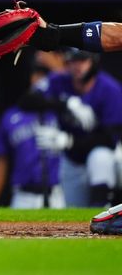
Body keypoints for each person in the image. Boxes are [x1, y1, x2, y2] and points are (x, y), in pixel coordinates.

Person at [31, 49, 122, 207]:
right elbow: (27, 100)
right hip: (72, 158)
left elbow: (110, 137)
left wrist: (70, 141)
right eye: (73, 61)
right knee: (75, 211)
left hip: (107, 154)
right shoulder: (60, 81)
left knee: (100, 158)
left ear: (93, 62)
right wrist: (65, 102)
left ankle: (104, 206)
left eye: (83, 60)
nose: (78, 66)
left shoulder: (109, 89)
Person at [0, 83, 67, 209]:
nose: (37, 80)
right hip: (22, 195)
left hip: (55, 193)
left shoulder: (56, 110)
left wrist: (69, 140)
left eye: (42, 74)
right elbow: (1, 159)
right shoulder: (11, 116)